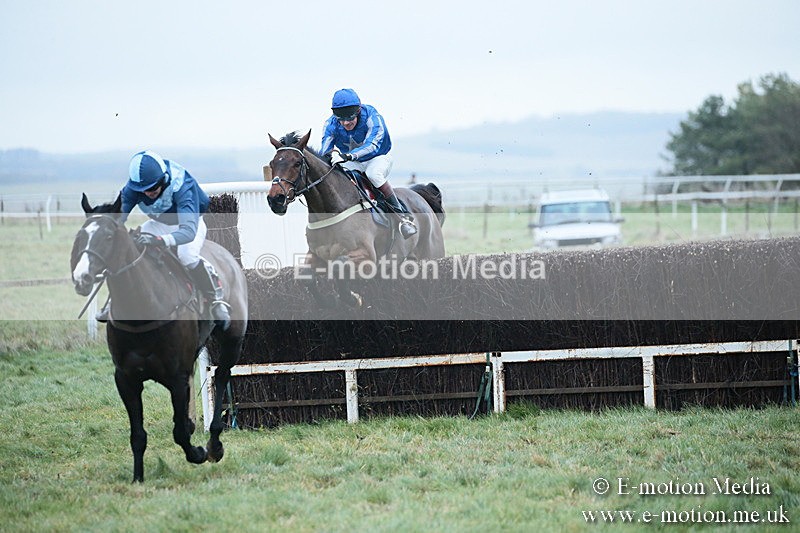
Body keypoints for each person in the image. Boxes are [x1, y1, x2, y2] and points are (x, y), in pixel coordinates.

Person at [95, 150, 231, 330]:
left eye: (151, 189)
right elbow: (118, 220)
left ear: (163, 180)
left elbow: (187, 232)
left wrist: (160, 240)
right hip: (159, 223)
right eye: (142, 190)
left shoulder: (182, 185)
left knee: (186, 255)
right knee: (133, 247)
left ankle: (215, 299)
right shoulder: (133, 188)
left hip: (191, 223)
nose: (147, 193)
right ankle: (113, 301)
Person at [320, 88, 417, 238]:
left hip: (378, 157)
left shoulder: (373, 117)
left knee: (374, 175)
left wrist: (348, 156)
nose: (346, 123)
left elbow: (372, 145)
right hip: (352, 161)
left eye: (350, 118)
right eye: (341, 119)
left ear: (358, 111)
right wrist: (331, 155)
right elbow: (325, 150)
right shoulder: (330, 124)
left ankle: (403, 217)